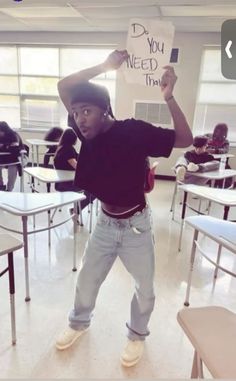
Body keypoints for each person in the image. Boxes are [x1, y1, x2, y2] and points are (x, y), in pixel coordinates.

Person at [55, 49, 193, 367]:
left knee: (145, 289)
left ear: (104, 110)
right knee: (87, 280)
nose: (79, 118)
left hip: (136, 225)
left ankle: (136, 335)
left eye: (86, 111)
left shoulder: (134, 131)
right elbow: (64, 86)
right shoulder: (85, 136)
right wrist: (104, 66)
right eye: (75, 113)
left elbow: (185, 139)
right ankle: (78, 323)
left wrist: (169, 97)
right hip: (105, 222)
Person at [54, 128, 95, 210]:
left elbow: (79, 157)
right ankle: (76, 209)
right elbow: (76, 166)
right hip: (69, 183)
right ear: (73, 138)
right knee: (94, 189)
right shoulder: (68, 150)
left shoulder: (61, 148)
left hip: (60, 183)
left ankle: (76, 209)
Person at [0, 121, 25, 191]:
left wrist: (4, 146)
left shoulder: (13, 135)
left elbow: (15, 151)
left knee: (13, 167)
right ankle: (0, 186)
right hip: (3, 158)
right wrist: (7, 146)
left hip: (17, 158)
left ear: (4, 130)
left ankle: (9, 189)